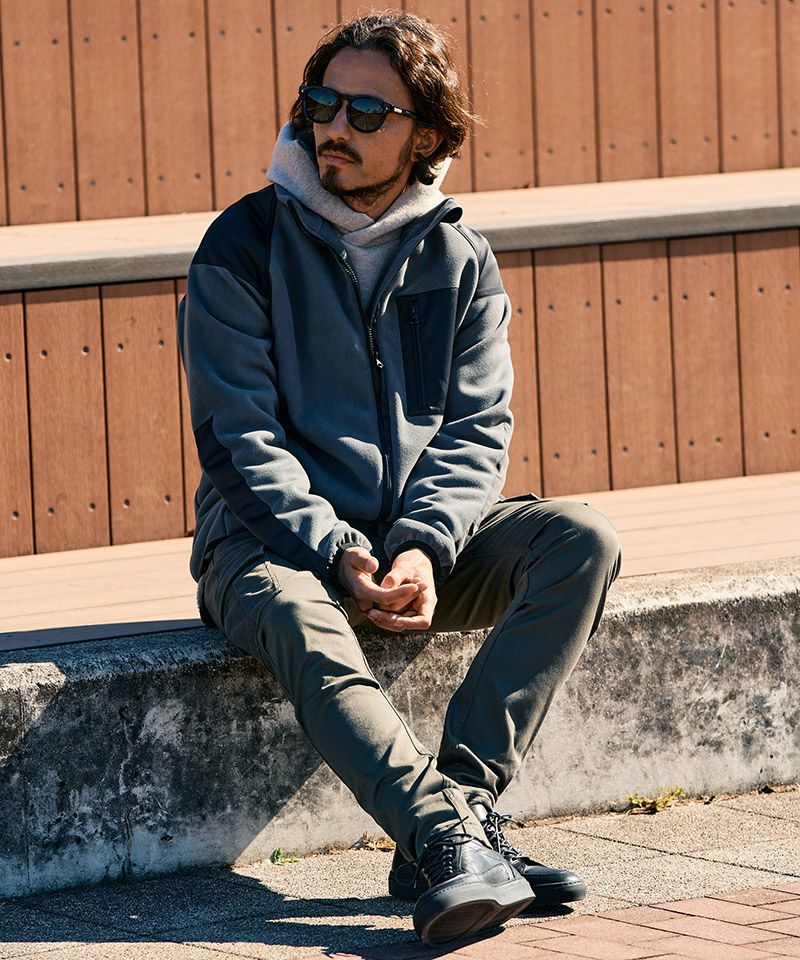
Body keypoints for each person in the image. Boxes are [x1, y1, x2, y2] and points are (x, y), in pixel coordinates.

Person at [178, 10, 622, 947]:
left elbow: (475, 428)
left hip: (408, 541)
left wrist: (424, 544)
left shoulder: (460, 258)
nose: (332, 127)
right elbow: (238, 435)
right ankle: (444, 837)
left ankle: (461, 809)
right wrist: (335, 548)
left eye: (366, 112)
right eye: (320, 103)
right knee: (298, 612)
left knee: (580, 540)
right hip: (267, 543)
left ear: (426, 135)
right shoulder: (243, 244)